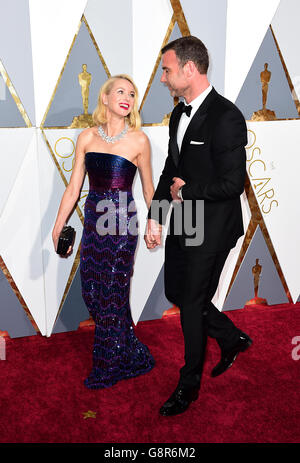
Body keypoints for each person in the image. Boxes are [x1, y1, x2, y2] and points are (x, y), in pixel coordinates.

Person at [145, 36, 252, 416]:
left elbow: (231, 184)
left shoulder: (226, 117)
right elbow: (169, 172)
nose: (162, 78)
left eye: (167, 70)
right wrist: (156, 215)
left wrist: (187, 191)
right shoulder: (178, 114)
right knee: (179, 291)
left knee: (191, 303)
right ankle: (231, 337)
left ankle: (188, 386)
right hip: (186, 219)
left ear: (189, 69)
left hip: (215, 224)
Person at [53, 74, 155, 389]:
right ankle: (130, 351)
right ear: (105, 98)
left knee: (112, 291)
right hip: (95, 223)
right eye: (121, 91)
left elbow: (150, 190)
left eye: (133, 94)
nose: (127, 97)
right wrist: (58, 227)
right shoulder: (86, 137)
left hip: (123, 224)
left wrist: (155, 221)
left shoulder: (139, 139)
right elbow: (73, 189)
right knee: (92, 292)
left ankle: (109, 365)